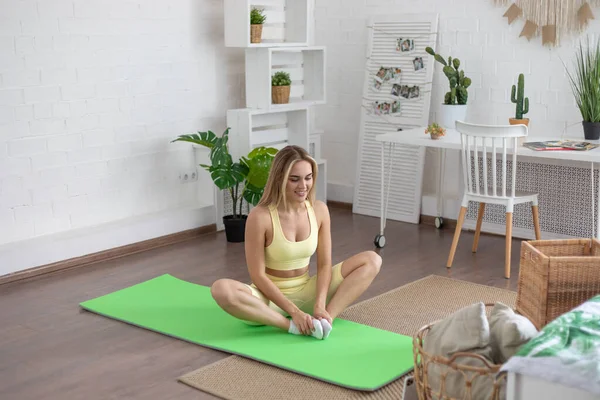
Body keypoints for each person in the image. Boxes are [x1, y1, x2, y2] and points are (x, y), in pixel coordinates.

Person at [210, 145, 382, 340]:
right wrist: (294, 313)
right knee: (221, 289)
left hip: (307, 292)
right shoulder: (260, 216)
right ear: (279, 179)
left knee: (372, 260)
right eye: (294, 179)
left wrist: (318, 304)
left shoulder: (319, 210)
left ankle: (325, 321)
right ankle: (290, 326)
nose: (303, 186)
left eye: (308, 178)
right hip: (268, 302)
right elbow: (257, 275)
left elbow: (325, 264)